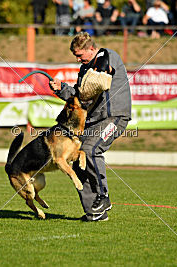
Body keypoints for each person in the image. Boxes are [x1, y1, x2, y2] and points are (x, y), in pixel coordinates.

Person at [49, 32, 132, 222]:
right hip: (94, 121)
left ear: (91, 49)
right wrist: (61, 88)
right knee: (79, 160)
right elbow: (81, 97)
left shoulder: (106, 56)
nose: (78, 60)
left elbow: (101, 76)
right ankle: (95, 212)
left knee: (91, 150)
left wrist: (89, 76)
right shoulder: (84, 69)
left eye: (80, 55)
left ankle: (103, 197)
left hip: (114, 117)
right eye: (76, 56)